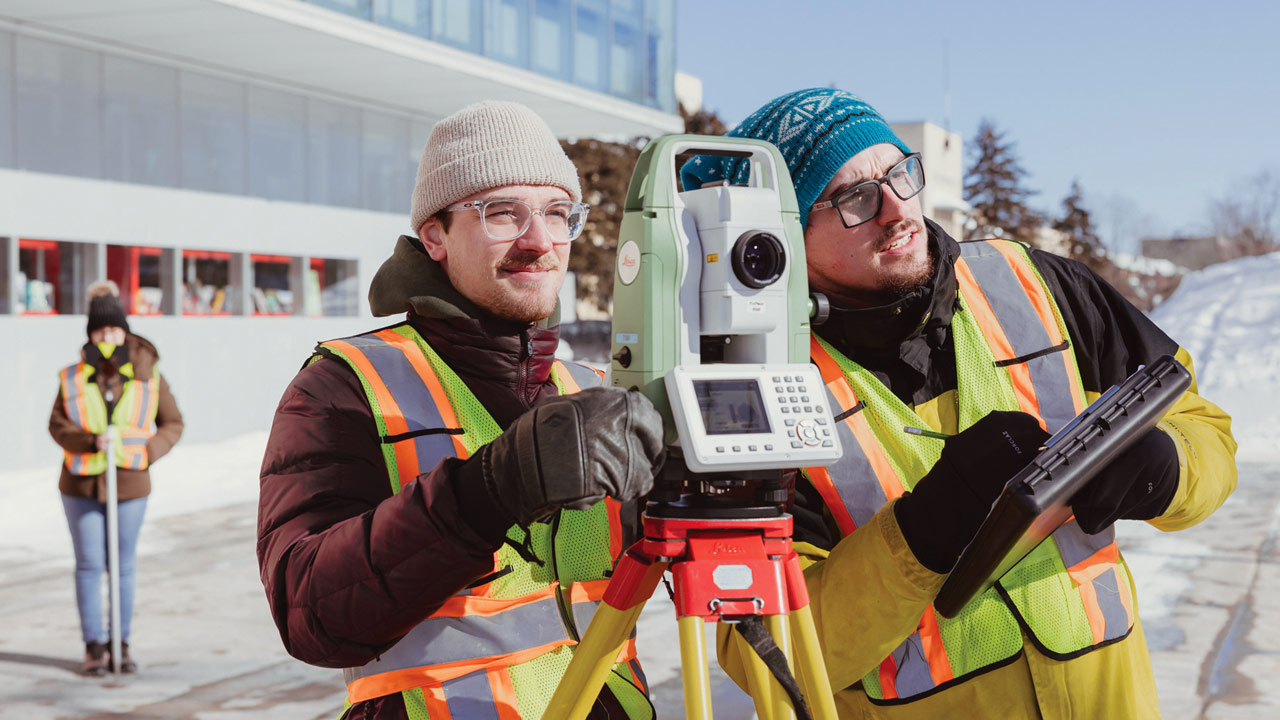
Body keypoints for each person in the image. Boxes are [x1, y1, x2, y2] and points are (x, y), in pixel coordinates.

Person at [681, 88, 1237, 718]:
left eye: (900, 174)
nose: (897, 209)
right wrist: (913, 540)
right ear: (785, 233)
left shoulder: (1037, 283)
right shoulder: (751, 391)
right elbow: (765, 657)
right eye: (855, 199)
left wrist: (1170, 468)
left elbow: (1202, 421)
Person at [257, 101, 666, 720]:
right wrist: (486, 493)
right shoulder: (344, 385)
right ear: (434, 235)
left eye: (558, 214)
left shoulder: (592, 390)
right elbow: (308, 610)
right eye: (502, 212)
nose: (539, 242)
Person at [48, 281, 184, 675]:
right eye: (100, 331)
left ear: (125, 331)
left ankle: (120, 643)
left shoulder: (149, 375)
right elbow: (56, 425)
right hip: (81, 482)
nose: (107, 337)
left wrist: (148, 451)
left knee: (122, 565)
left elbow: (172, 423)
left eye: (113, 330)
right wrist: (90, 440)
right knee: (89, 564)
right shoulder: (73, 375)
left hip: (130, 482)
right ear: (91, 333)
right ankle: (94, 646)